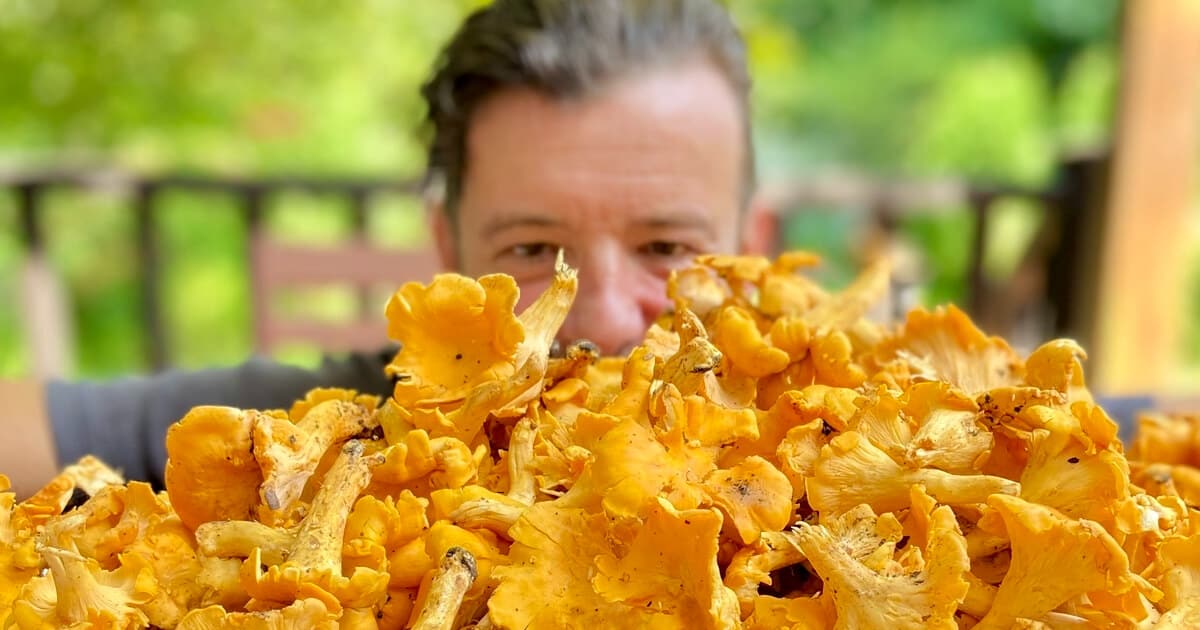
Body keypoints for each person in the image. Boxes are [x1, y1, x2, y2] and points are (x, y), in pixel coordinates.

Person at [1, 0, 767, 495]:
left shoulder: (863, 438)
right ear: (448, 247)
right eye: (533, 248)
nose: (602, 317)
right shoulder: (329, 429)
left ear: (752, 246)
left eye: (666, 245)